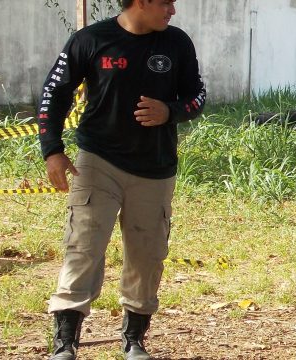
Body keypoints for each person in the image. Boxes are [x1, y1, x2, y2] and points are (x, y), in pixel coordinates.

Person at [38, 0, 206, 359]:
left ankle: (134, 339)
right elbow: (55, 92)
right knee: (83, 246)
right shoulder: (90, 40)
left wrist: (170, 112)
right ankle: (65, 343)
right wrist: (52, 149)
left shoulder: (177, 43)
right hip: (97, 162)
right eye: (165, 3)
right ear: (141, 2)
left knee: (147, 255)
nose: (172, 10)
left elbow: (198, 96)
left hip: (155, 168)